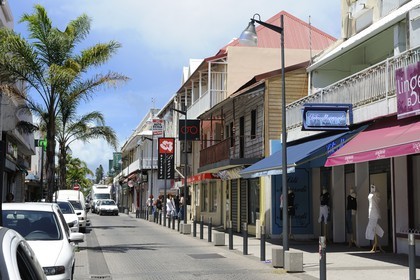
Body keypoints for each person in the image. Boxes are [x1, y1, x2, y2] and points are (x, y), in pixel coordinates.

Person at [365, 184, 384, 252]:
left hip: (375, 211)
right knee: (373, 226)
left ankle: (375, 242)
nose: (372, 187)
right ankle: (378, 238)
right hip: (370, 211)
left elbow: (377, 200)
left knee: (372, 225)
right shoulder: (370, 193)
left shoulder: (376, 193)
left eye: (373, 186)